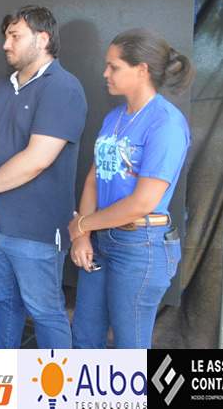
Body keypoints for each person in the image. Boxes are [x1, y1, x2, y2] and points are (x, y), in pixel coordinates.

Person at [0, 5, 87, 349]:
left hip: (36, 229)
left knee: (45, 311)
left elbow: (37, 159)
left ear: (42, 39)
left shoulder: (63, 87)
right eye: (6, 36)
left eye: (15, 36)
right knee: (5, 302)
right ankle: (4, 373)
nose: (6, 44)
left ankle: (57, 382)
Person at [70, 29, 193, 349]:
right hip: (101, 239)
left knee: (129, 349)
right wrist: (83, 235)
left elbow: (143, 202)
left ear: (141, 70)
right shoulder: (114, 117)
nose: (105, 73)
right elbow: (94, 178)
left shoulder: (165, 123)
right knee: (84, 338)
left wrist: (83, 224)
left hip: (141, 246)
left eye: (114, 66)